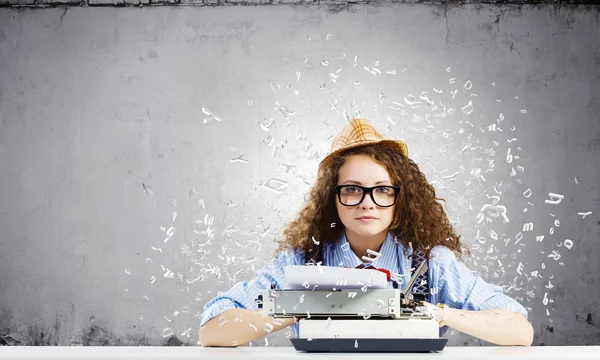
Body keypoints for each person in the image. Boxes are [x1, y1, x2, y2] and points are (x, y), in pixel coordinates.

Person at [198, 118, 534, 347]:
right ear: (334, 198)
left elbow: (520, 329)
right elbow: (212, 329)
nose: (367, 204)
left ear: (400, 198)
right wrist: (299, 306)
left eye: (382, 190)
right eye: (352, 189)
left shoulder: (432, 265)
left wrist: (436, 312)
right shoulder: (301, 261)